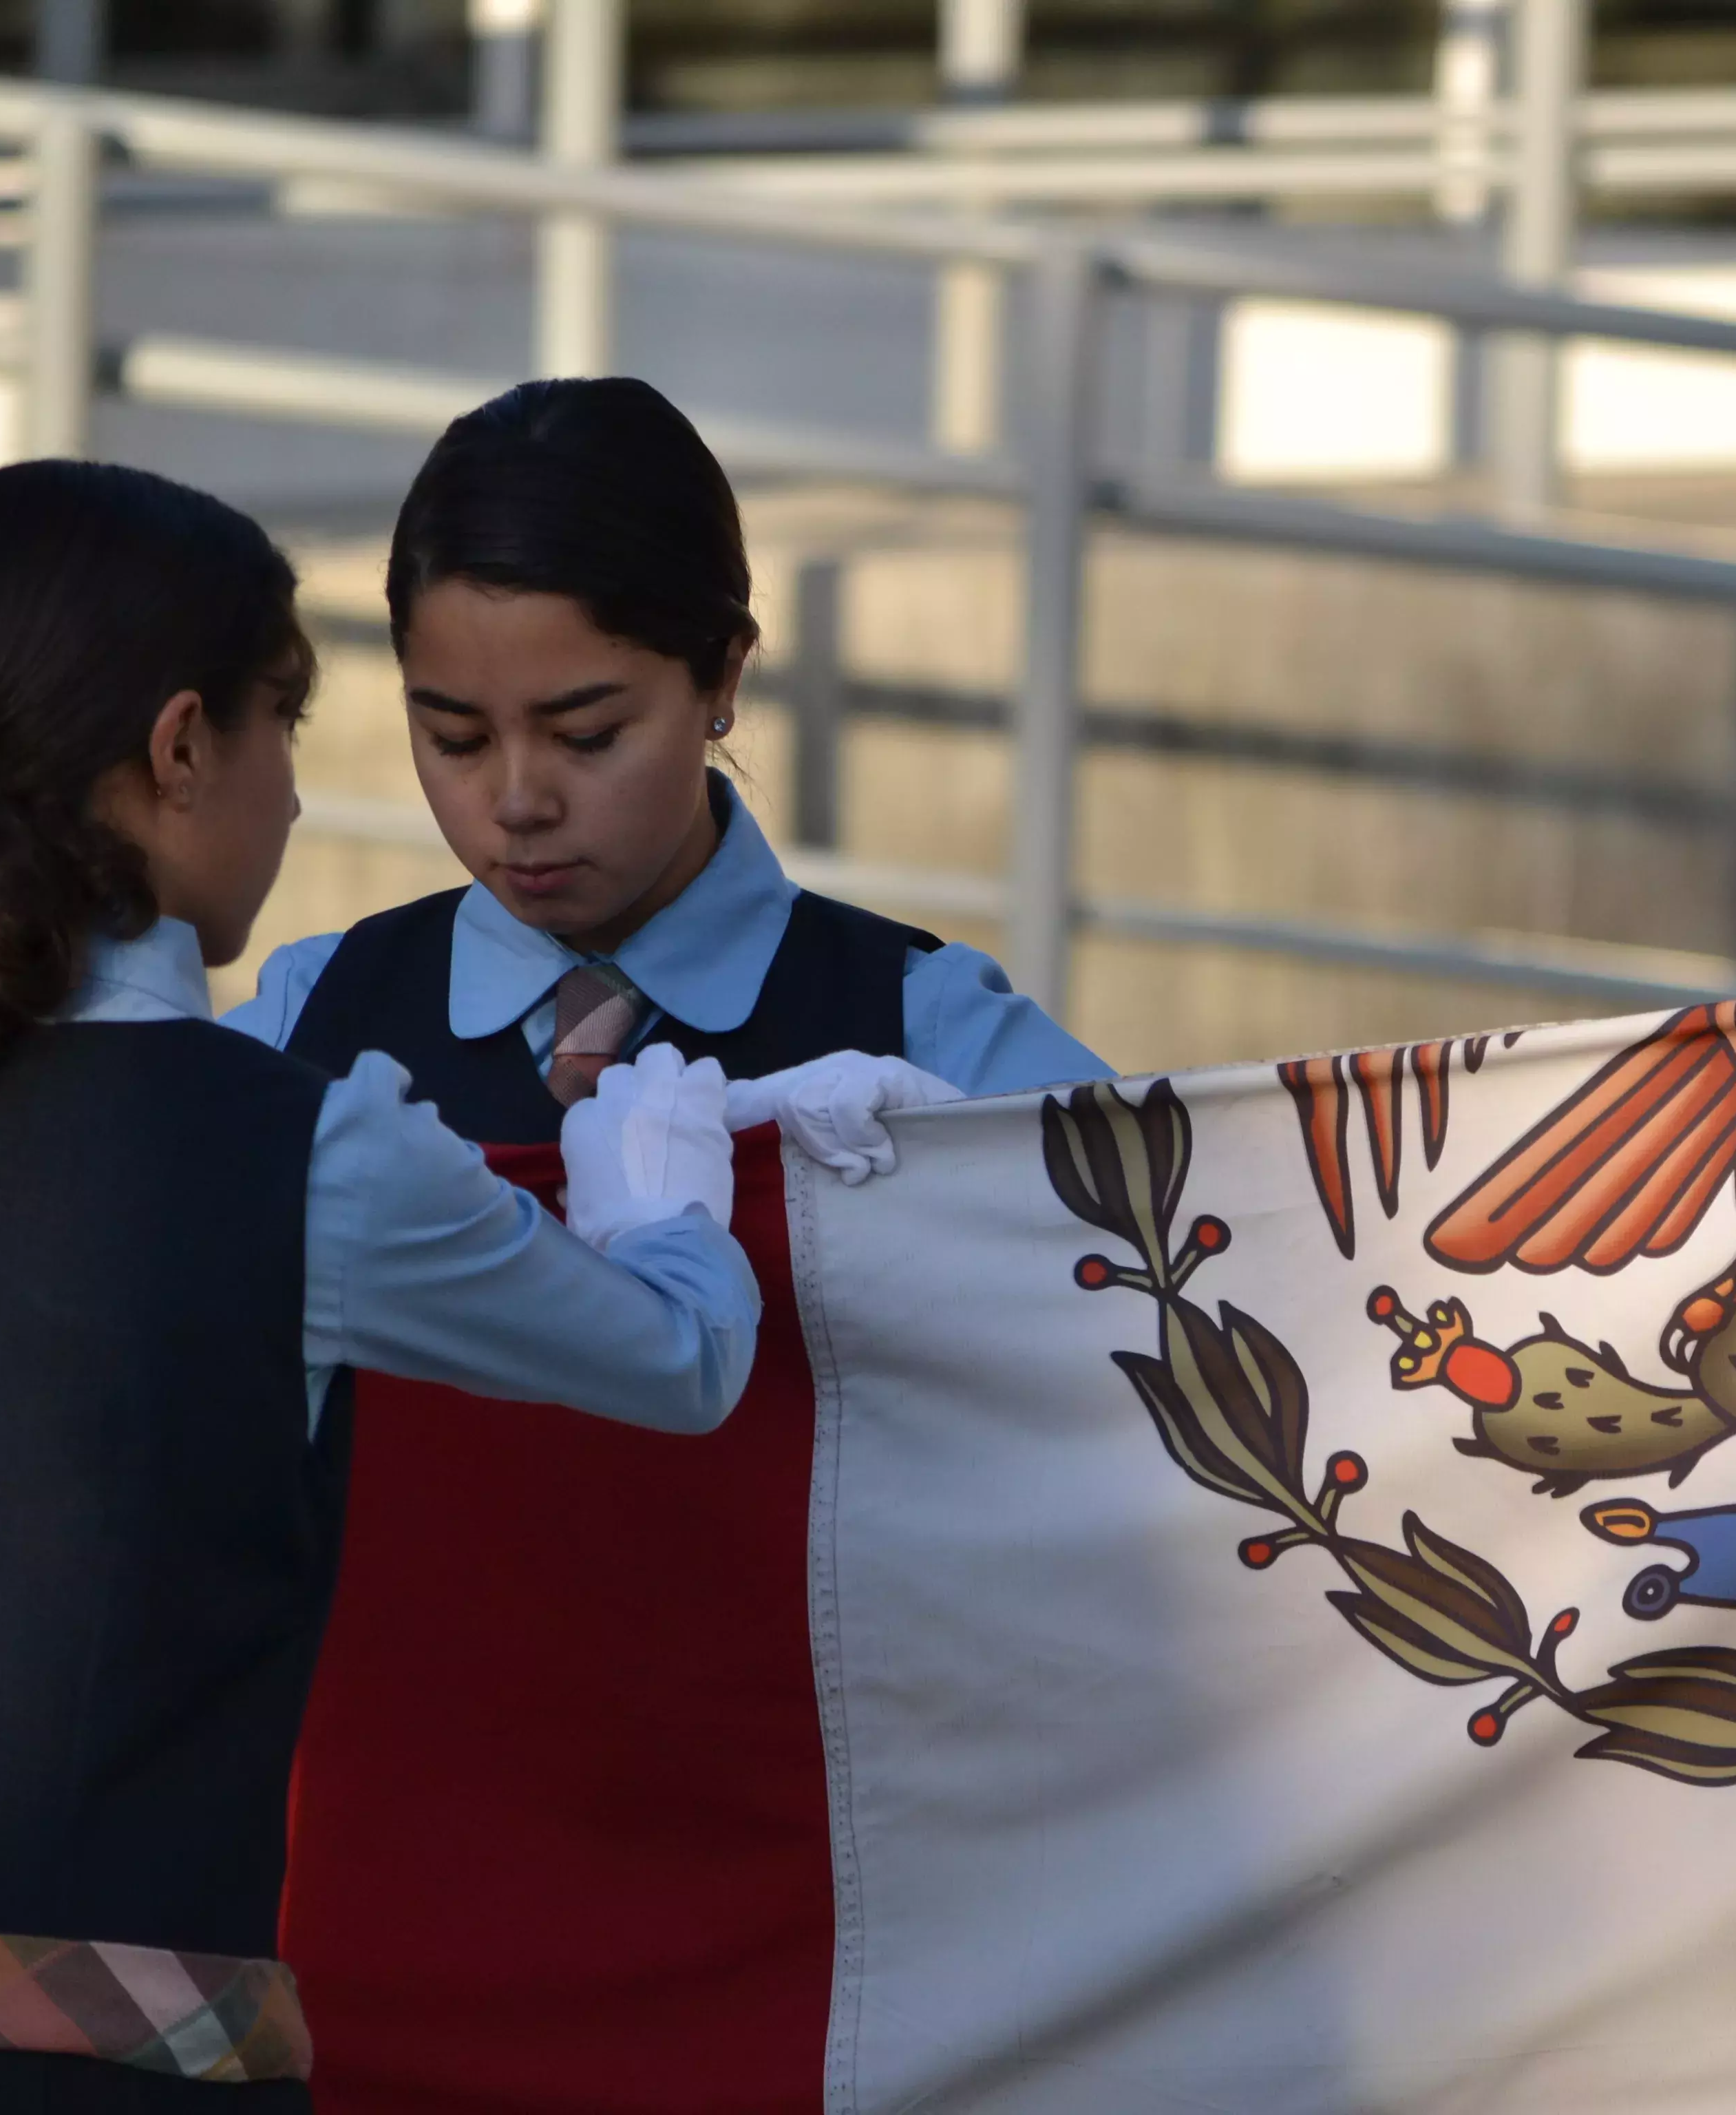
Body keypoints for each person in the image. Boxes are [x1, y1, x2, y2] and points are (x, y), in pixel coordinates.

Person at [0, 460, 759, 2109]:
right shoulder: (311, 1152)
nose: (296, 803)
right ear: (181, 748)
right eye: (281, 733)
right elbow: (681, 1359)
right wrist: (653, 1172)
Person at [225, 378, 1108, 2114]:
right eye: (452, 738)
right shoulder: (314, 1016)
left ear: (723, 676)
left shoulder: (932, 1026)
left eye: (588, 728)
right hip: (383, 1898)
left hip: (814, 1901)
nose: (518, 803)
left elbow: (1196, 1292)